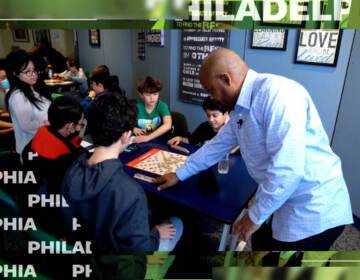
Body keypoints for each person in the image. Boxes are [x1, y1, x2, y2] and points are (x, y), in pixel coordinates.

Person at [154, 48, 353, 251]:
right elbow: (215, 147)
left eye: (211, 89)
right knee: (261, 247)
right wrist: (179, 174)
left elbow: (288, 169)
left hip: (313, 209)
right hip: (283, 200)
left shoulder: (278, 95)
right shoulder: (241, 108)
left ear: (226, 79)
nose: (211, 97)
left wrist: (254, 216)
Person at [62, 93, 183, 252]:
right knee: (177, 223)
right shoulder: (131, 193)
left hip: (81, 253)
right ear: (127, 135)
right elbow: (139, 252)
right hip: (115, 269)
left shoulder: (71, 170)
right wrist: (154, 234)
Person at [22, 96, 86, 195]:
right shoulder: (62, 159)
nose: (80, 128)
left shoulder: (45, 131)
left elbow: (75, 141)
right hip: (47, 197)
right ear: (69, 126)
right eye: (80, 124)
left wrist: (92, 147)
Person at [6, 50, 51, 155]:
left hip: (46, 142)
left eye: (34, 70)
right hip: (31, 149)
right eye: (27, 72)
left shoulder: (37, 88)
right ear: (15, 73)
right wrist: (50, 125)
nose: (33, 74)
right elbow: (27, 126)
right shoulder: (17, 96)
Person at [133, 76, 172, 144]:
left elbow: (168, 125)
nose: (152, 98)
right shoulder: (135, 106)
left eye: (155, 94)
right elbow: (122, 123)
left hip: (159, 141)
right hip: (141, 141)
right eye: (148, 95)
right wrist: (132, 129)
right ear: (141, 95)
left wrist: (148, 138)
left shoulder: (162, 106)